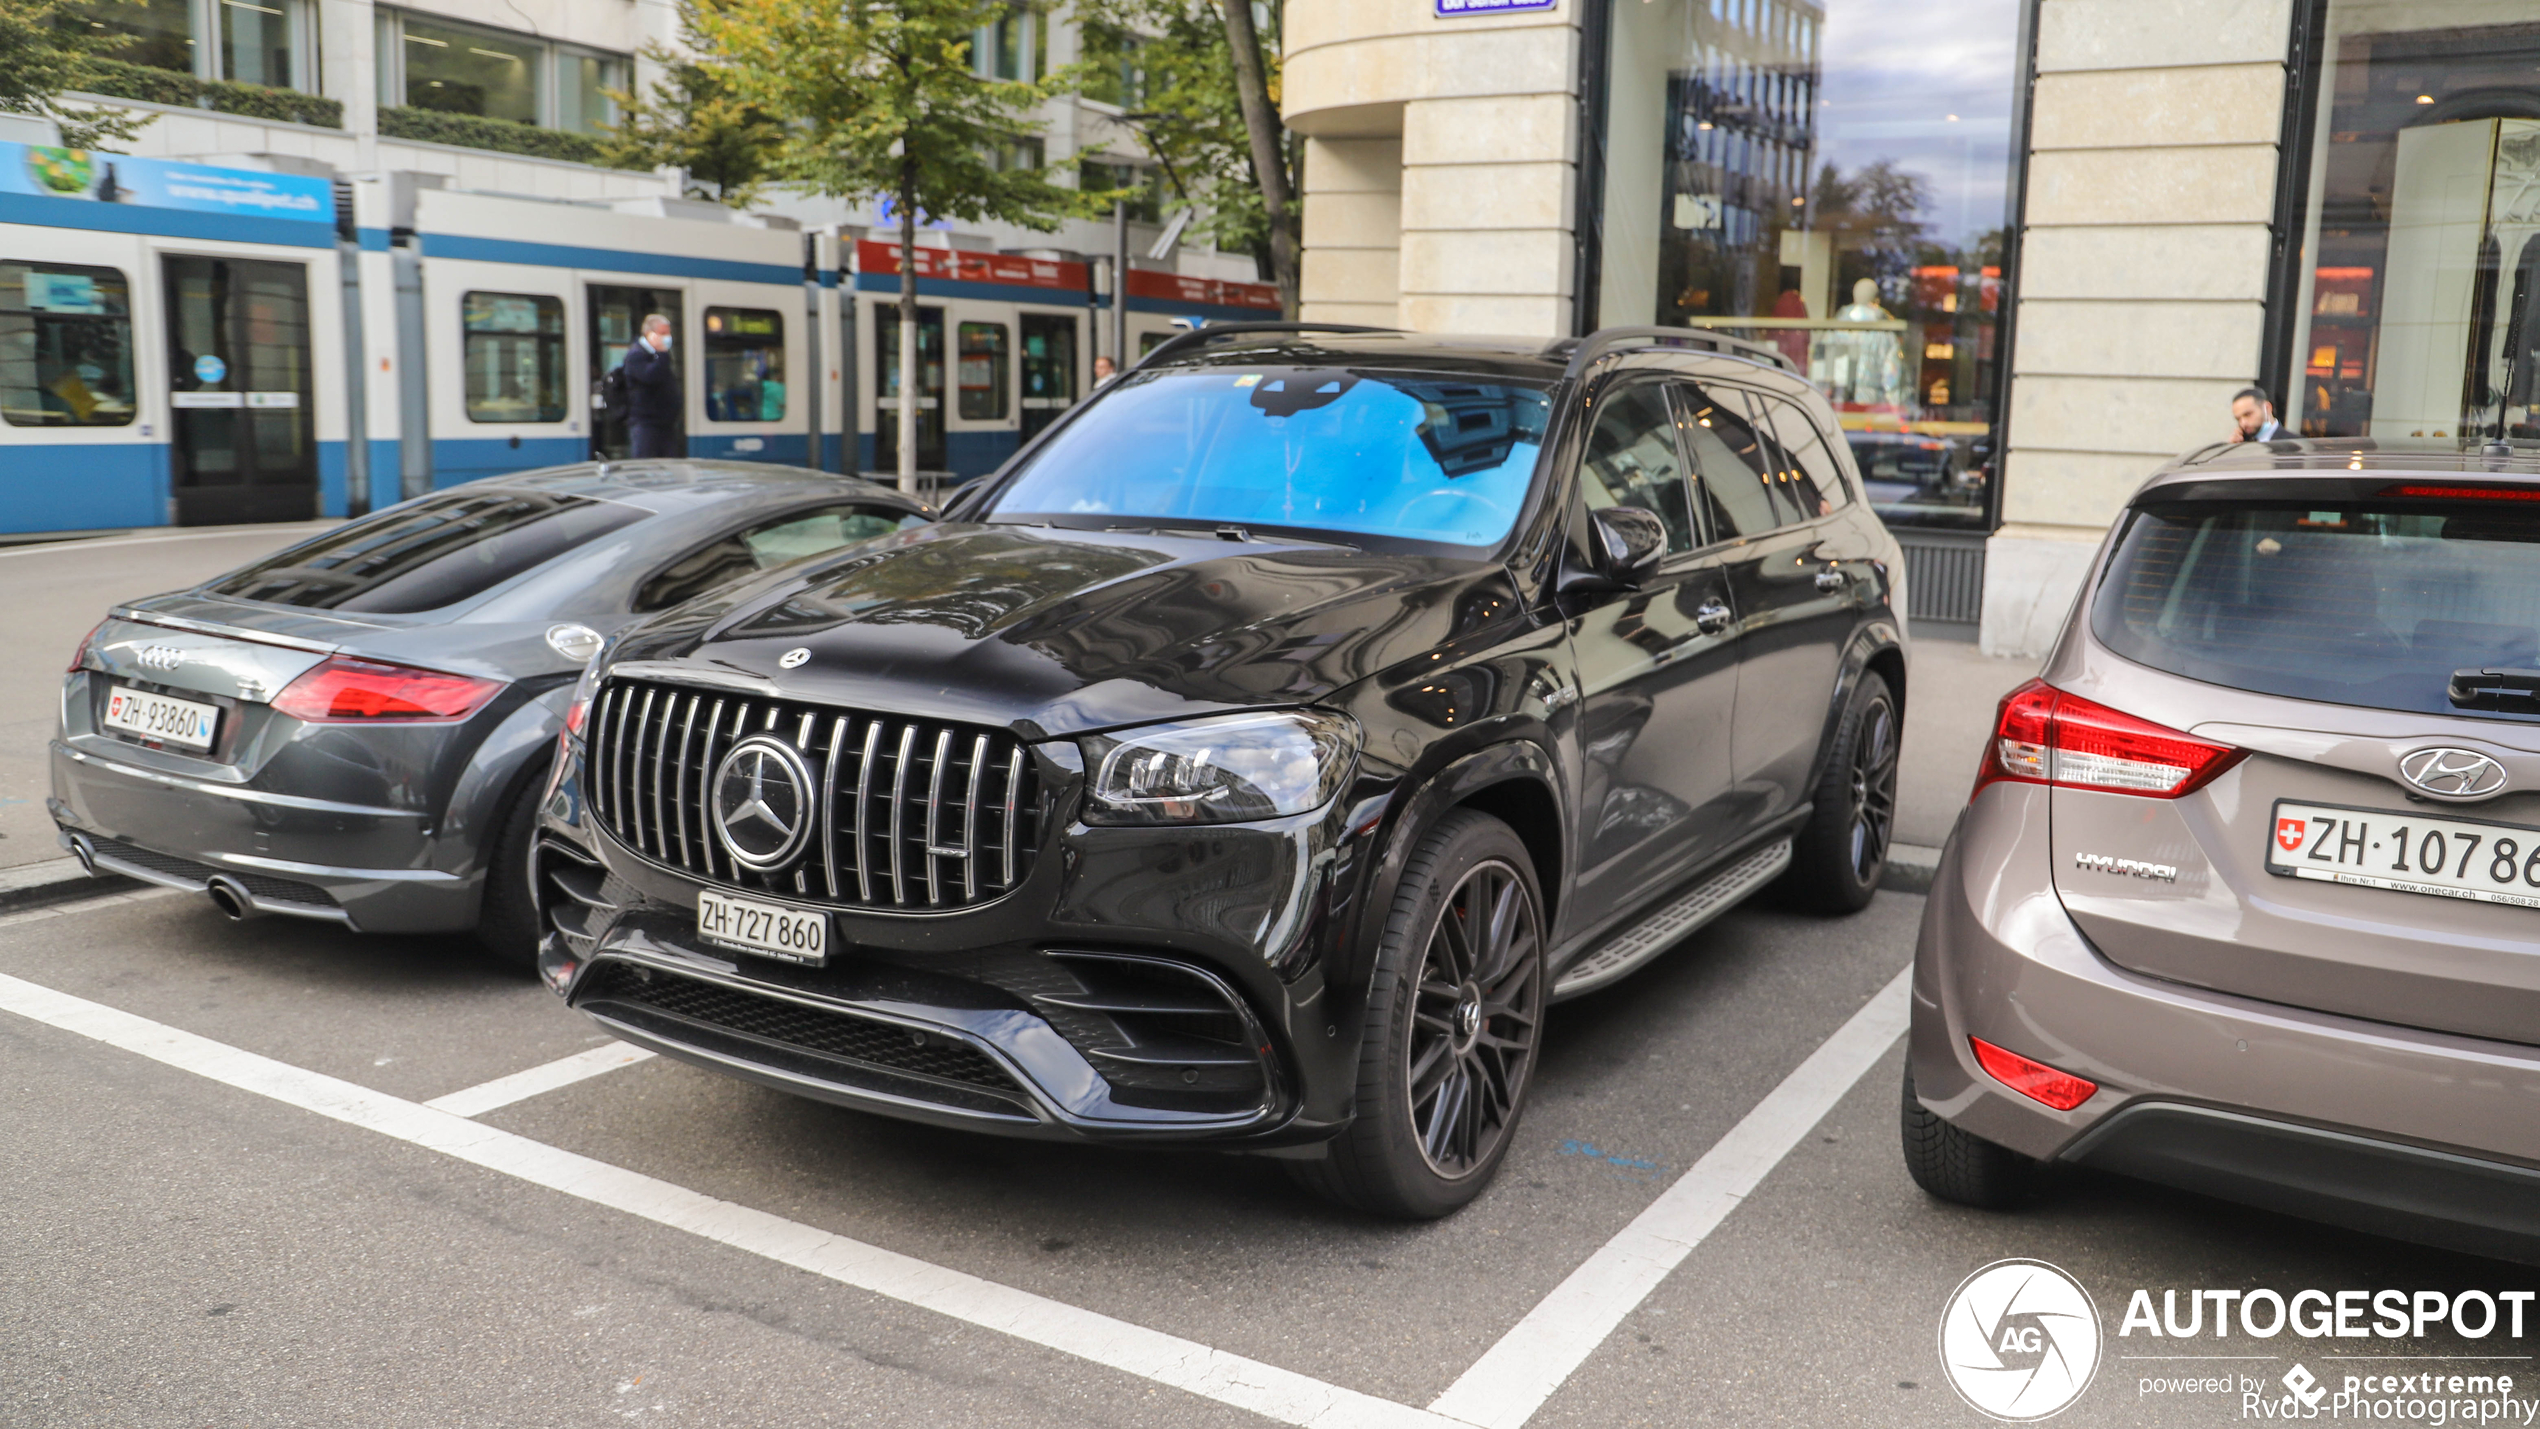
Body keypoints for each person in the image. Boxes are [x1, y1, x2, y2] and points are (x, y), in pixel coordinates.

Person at [621, 314, 681, 458]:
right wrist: (662, 353)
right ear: (650, 334)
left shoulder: (658, 356)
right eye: (663, 333)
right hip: (646, 424)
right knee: (647, 467)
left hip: (664, 424)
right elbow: (650, 376)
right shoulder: (636, 355)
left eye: (668, 333)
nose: (668, 337)